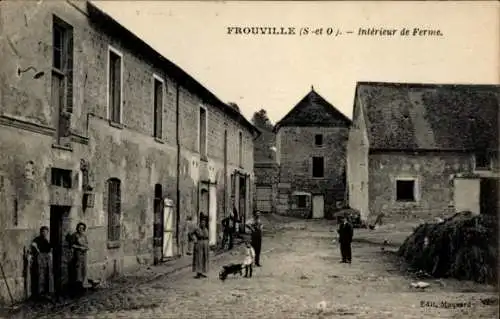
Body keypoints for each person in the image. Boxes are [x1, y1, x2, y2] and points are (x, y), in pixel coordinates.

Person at [30, 226, 54, 300]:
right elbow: (34, 248)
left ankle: (48, 292)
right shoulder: (36, 240)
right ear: (41, 232)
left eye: (46, 232)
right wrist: (37, 249)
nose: (44, 233)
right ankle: (40, 292)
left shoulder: (46, 240)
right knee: (41, 275)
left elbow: (50, 249)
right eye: (43, 231)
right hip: (40, 259)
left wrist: (50, 253)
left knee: (48, 274)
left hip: (47, 259)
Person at [69, 222, 89, 296]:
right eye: (79, 228)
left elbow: (87, 243)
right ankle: (77, 288)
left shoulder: (84, 235)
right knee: (78, 270)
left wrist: (86, 247)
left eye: (82, 228)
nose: (81, 229)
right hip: (77, 254)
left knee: (84, 269)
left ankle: (84, 286)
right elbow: (72, 245)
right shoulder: (75, 235)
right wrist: (79, 247)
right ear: (77, 228)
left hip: (84, 254)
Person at [190, 214, 210, 278]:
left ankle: (202, 272)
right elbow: (190, 234)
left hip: (205, 245)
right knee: (198, 259)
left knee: (204, 258)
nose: (203, 223)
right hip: (199, 244)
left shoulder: (206, 228)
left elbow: (207, 236)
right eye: (202, 222)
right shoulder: (196, 228)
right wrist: (194, 239)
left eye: (204, 222)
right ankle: (198, 273)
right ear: (200, 222)